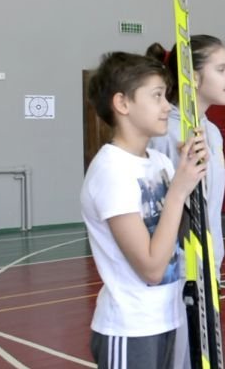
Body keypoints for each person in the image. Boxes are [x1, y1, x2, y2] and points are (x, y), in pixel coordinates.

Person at [81, 52, 207, 369]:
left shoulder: (159, 162)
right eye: (156, 96)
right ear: (122, 103)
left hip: (167, 317)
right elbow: (151, 268)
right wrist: (177, 191)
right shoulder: (111, 171)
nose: (167, 106)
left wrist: (190, 173)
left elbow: (178, 236)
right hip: (130, 328)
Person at [147, 35, 225, 281]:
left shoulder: (213, 133)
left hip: (211, 264)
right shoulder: (164, 134)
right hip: (177, 272)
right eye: (221, 69)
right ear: (194, 77)